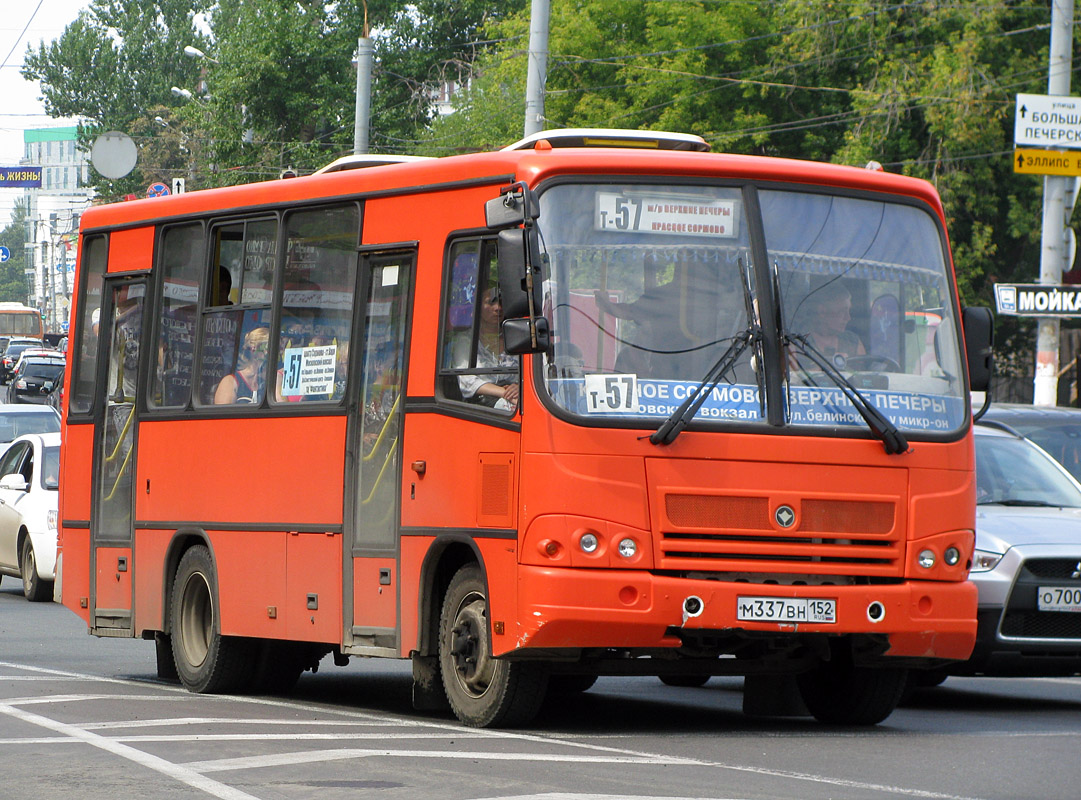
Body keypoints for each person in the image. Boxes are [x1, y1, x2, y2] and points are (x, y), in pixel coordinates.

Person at [453, 287, 519, 409]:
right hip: (482, 407)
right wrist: (505, 393)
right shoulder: (465, 341)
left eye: (501, 302)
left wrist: (519, 386)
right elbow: (467, 382)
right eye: (490, 302)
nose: (498, 308)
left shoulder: (517, 338)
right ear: (477, 307)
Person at [797, 282, 865, 364]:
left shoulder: (853, 342)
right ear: (822, 311)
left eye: (848, 311)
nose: (848, 318)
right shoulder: (798, 342)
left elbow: (864, 374)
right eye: (842, 311)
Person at [214, 326, 269, 404]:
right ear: (254, 348)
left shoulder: (271, 382)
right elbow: (222, 414)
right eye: (267, 347)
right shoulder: (231, 382)